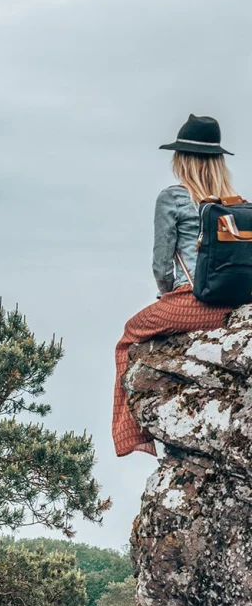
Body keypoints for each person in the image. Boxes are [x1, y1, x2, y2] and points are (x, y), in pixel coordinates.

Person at [113, 114, 237, 457]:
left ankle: (133, 437)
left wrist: (167, 293)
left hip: (193, 303)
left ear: (183, 159)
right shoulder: (236, 204)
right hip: (236, 305)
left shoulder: (173, 198)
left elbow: (161, 264)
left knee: (127, 338)